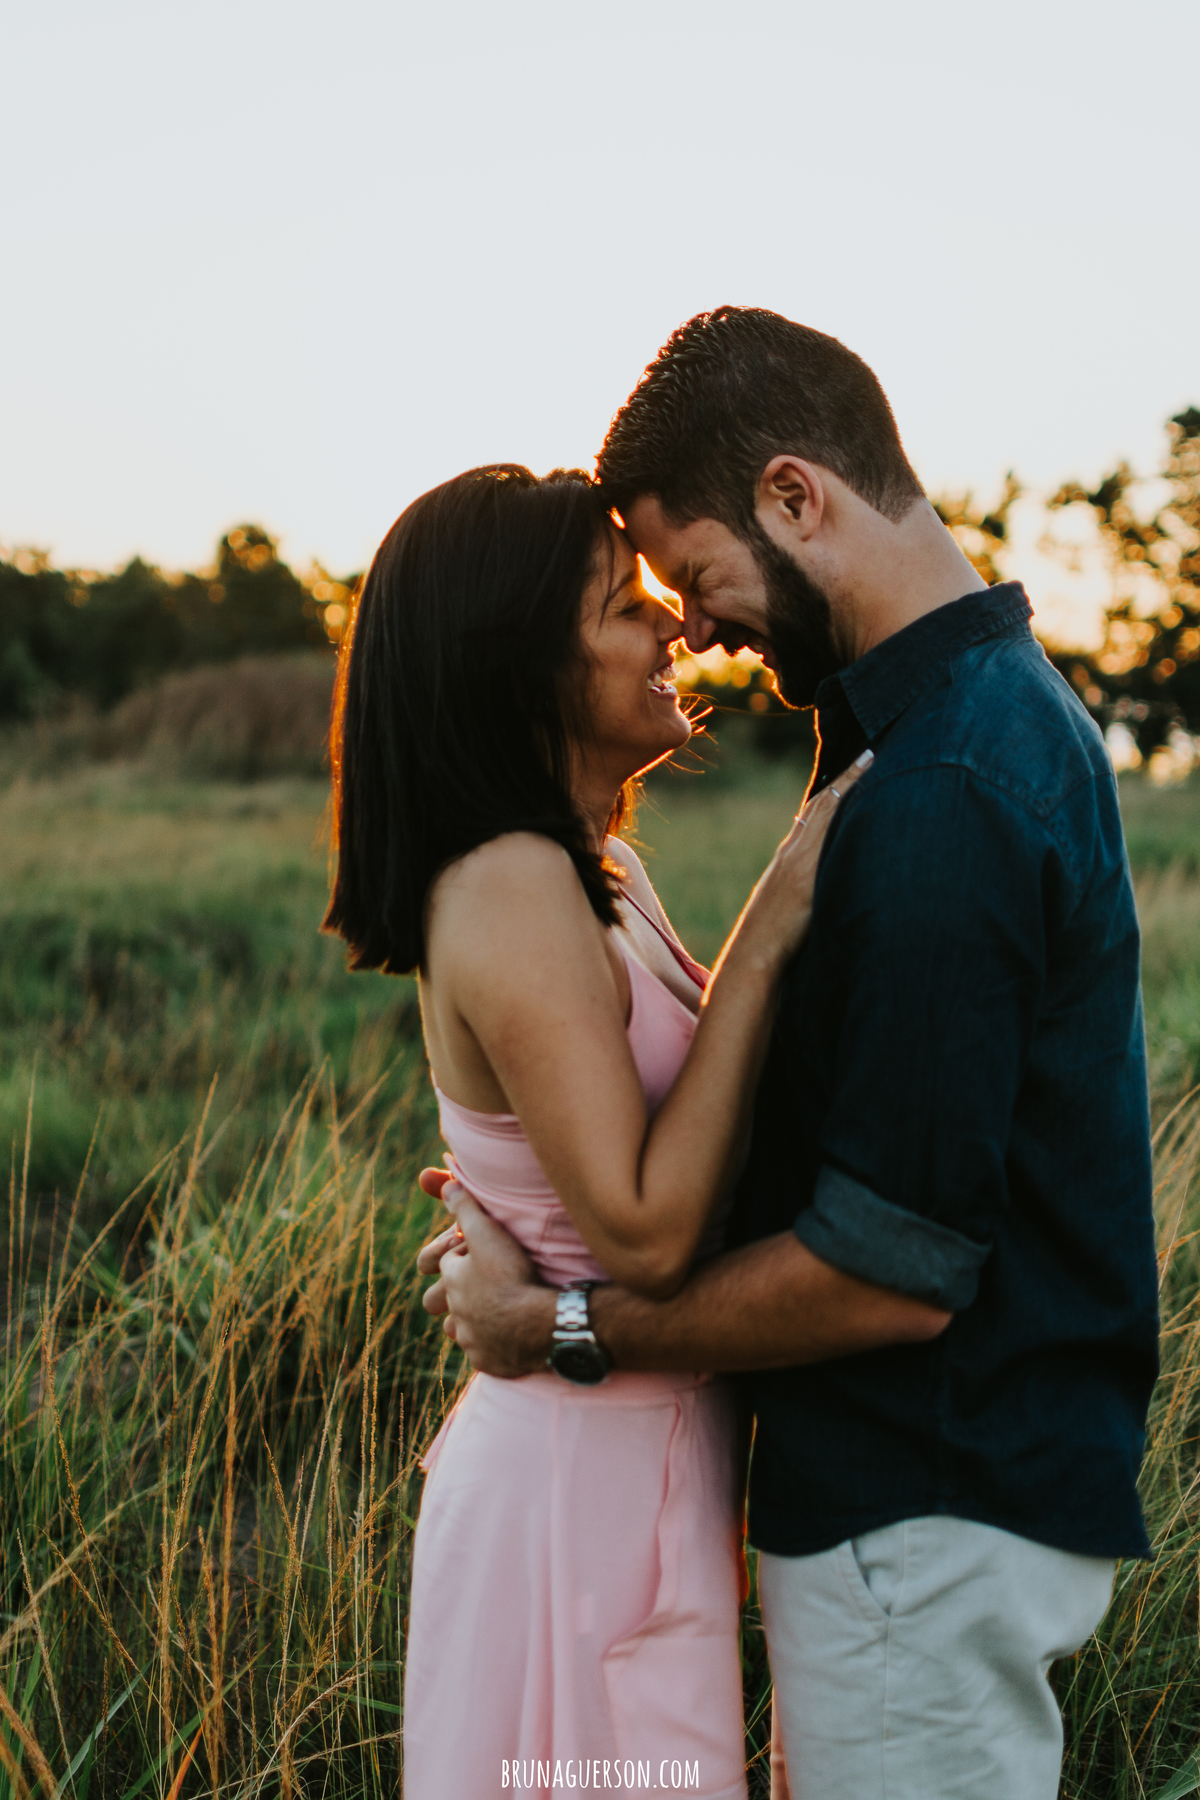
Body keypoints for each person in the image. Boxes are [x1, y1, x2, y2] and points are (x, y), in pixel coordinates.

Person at [419, 310, 1160, 1800]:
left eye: (692, 577)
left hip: (921, 1513)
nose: (690, 627)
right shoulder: (929, 728)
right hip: (904, 1516)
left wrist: (561, 1331)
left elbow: (888, 1268)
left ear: (795, 497)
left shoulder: (947, 780)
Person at [322, 462, 884, 1799]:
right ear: (517, 668)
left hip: (636, 1470)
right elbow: (644, 1230)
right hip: (572, 1503)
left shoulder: (601, 870)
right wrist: (775, 920)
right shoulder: (509, 883)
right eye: (616, 602)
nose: (670, 622)